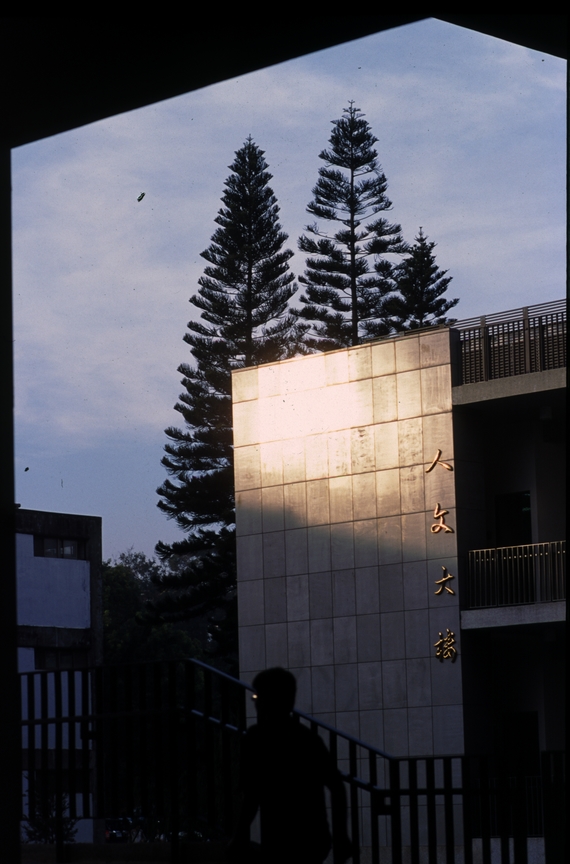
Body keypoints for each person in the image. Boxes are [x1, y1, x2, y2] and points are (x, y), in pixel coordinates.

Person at [227, 667, 353, 864]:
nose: (255, 701)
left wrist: (240, 834)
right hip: (312, 836)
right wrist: (341, 836)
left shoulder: (256, 739)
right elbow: (337, 787)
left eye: (257, 695)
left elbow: (252, 795)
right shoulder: (309, 739)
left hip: (278, 837)